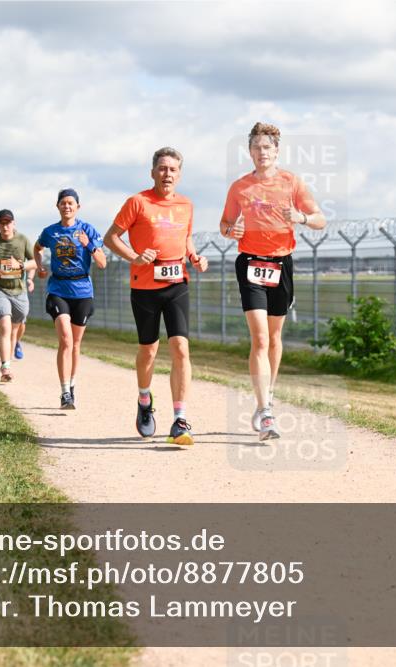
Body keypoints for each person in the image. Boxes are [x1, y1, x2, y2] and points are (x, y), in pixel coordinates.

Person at [219, 122, 326, 440]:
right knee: (261, 339)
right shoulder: (239, 187)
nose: (262, 152)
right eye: (256, 147)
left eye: (267, 147)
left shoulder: (292, 182)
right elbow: (224, 224)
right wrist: (231, 231)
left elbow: (320, 219)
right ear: (249, 151)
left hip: (281, 264)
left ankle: (267, 393)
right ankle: (266, 412)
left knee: (276, 339)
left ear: (276, 151)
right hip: (250, 264)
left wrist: (301, 217)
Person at [104, 147, 208, 446]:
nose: (167, 174)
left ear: (179, 174)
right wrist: (134, 257)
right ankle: (144, 399)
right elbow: (111, 237)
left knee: (180, 348)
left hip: (177, 284)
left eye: (173, 169)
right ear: (153, 172)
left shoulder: (186, 204)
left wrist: (195, 256)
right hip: (144, 287)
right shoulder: (137, 202)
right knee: (148, 350)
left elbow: (186, 238)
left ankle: (180, 419)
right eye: (162, 168)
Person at [34, 188, 106, 409]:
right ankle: (65, 392)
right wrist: (39, 266)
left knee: (75, 344)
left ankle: (72, 385)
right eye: (63, 203)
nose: (67, 206)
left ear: (78, 207)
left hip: (82, 290)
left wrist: (89, 245)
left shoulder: (87, 230)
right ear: (57, 206)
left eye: (70, 203)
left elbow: (102, 263)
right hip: (58, 288)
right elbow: (37, 248)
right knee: (65, 339)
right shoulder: (51, 231)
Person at [0, 209, 36, 382]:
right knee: (5, 326)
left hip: (19, 291)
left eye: (8, 222)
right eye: (2, 223)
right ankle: (6, 367)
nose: (5, 226)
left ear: (14, 223)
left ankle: (16, 343)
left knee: (16, 328)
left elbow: (35, 261)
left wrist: (23, 270)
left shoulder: (23, 240)